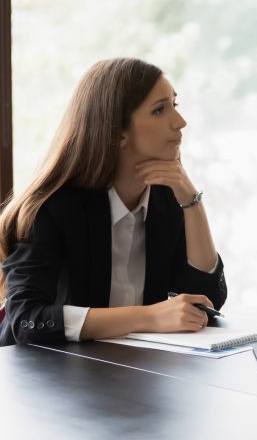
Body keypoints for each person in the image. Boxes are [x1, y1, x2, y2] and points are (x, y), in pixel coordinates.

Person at [0, 58, 226, 346]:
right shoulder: (53, 208)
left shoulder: (166, 198)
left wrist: (192, 203)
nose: (180, 122)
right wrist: (149, 317)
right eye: (159, 110)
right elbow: (27, 319)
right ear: (118, 131)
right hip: (44, 379)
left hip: (127, 374)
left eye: (175, 105)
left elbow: (206, 303)